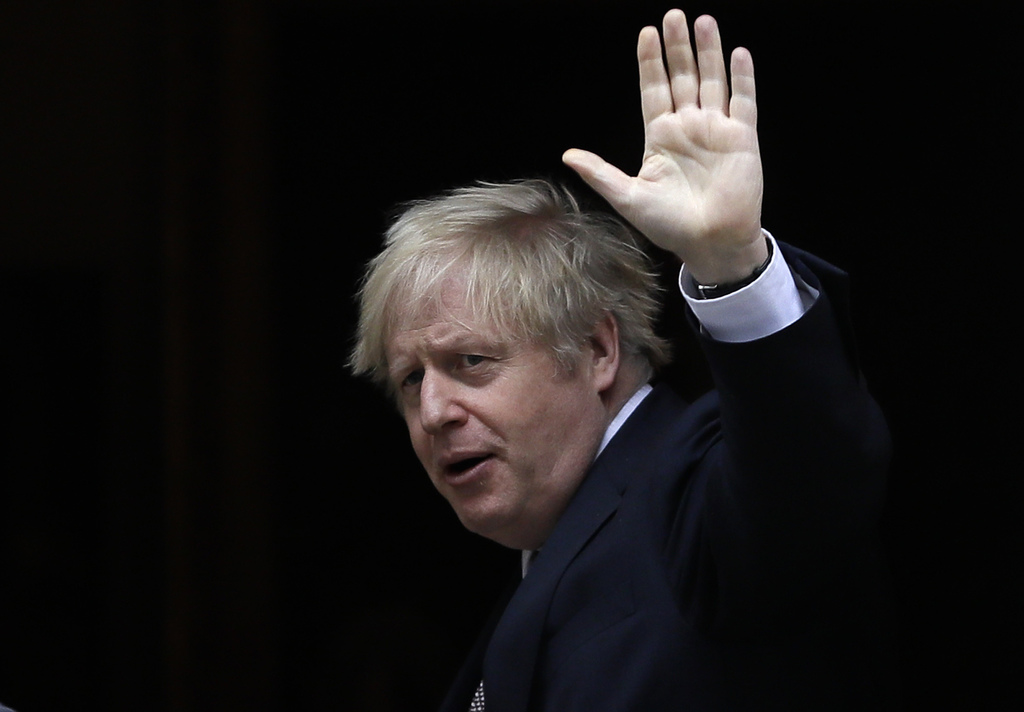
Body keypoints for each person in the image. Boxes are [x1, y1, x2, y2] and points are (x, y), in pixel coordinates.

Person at [350, 8, 897, 711]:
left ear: (597, 349)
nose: (432, 411)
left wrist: (731, 264)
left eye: (472, 361)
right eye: (410, 379)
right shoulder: (542, 564)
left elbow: (811, 479)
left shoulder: (694, 493)